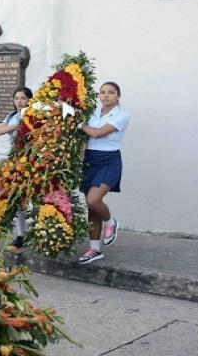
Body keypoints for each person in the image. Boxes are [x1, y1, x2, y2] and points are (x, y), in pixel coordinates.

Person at [77, 82, 130, 264]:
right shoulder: (92, 113)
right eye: (102, 92)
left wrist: (79, 124)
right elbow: (85, 137)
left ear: (118, 96)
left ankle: (110, 222)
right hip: (90, 160)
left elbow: (98, 133)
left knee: (94, 200)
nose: (106, 96)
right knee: (91, 207)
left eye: (111, 93)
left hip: (109, 161)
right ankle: (94, 249)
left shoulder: (122, 116)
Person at [0, 87, 33, 248]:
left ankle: (39, 232)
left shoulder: (35, 115)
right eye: (16, 98)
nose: (19, 101)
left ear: (29, 100)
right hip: (15, 160)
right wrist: (16, 126)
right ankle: (20, 235)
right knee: (18, 199)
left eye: (23, 98)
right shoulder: (11, 116)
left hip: (32, 160)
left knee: (36, 198)